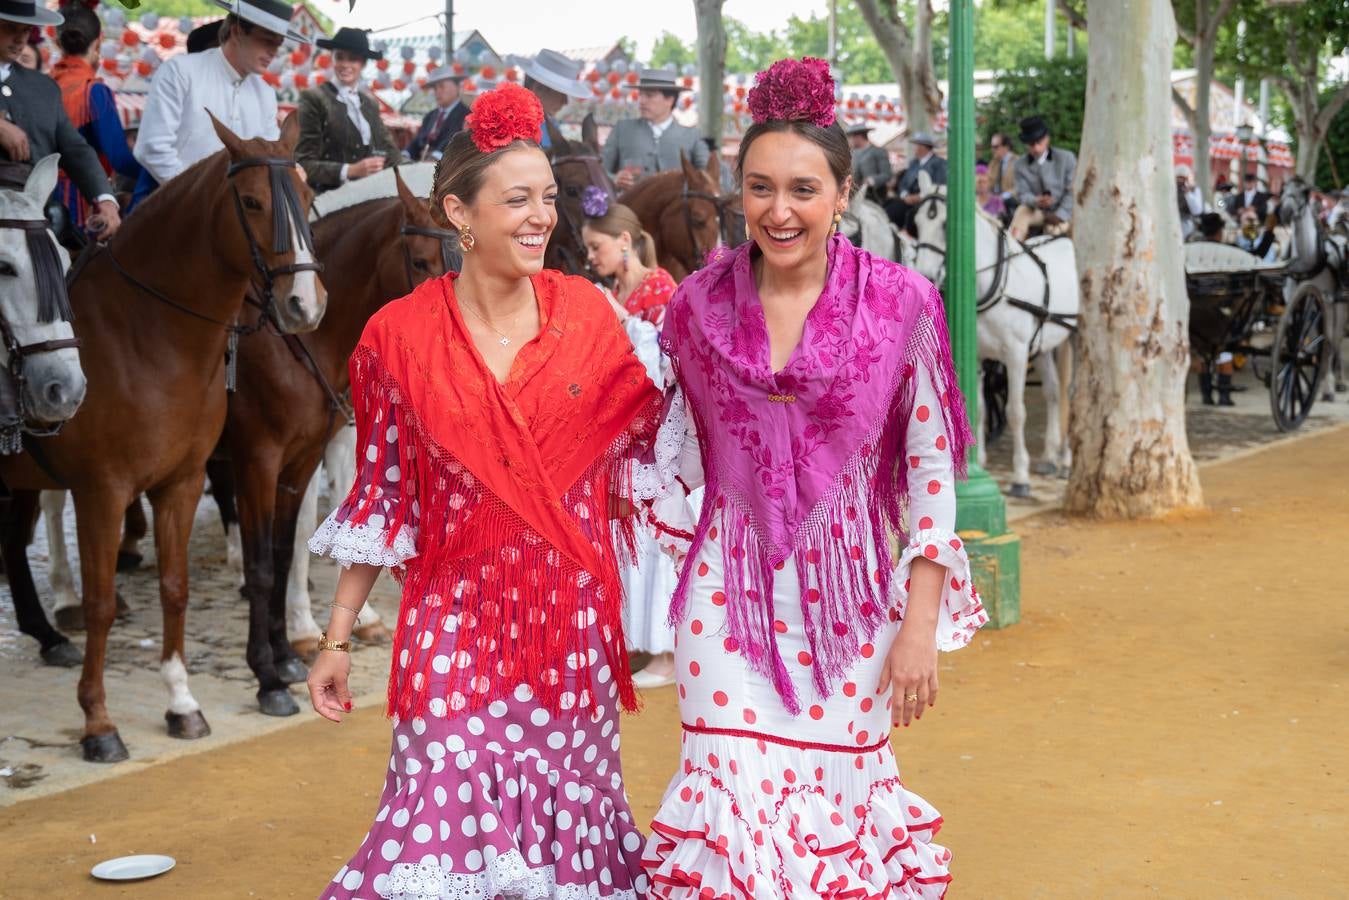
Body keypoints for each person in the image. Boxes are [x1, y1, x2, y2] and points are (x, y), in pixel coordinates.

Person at [636, 56, 987, 896]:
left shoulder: (902, 303)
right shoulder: (694, 306)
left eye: (802, 189)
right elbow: (667, 451)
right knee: (729, 813)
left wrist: (920, 622)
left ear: (842, 195)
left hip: (852, 608)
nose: (778, 210)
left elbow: (930, 465)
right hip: (725, 597)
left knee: (836, 822)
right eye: (758, 188)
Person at [305, 83, 657, 900]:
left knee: (566, 840)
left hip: (570, 626)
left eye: (548, 199)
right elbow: (385, 497)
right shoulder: (396, 337)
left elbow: (652, 448)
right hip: (449, 624)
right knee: (439, 809)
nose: (541, 219)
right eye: (517, 200)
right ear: (458, 213)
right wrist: (336, 638)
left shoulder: (590, 316)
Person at [132, 1, 308, 207]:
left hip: (237, 216)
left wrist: (290, 168)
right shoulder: (180, 71)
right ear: (237, 32)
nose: (273, 52)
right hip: (173, 209)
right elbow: (152, 148)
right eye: (267, 41)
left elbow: (267, 155)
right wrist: (200, 196)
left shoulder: (265, 93)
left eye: (278, 44)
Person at [0, 2, 122, 238]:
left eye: (26, 30)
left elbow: (75, 149)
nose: (20, 39)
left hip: (36, 216)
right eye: (10, 28)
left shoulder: (44, 87)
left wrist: (105, 198)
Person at [49, 4, 143, 239]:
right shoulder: (95, 91)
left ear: (57, 42)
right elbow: (120, 159)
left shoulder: (42, 84)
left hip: (38, 196)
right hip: (80, 201)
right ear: (99, 42)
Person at [295, 27, 400, 192]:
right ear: (332, 58)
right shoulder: (313, 98)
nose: (345, 64)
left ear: (363, 63)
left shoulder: (370, 104)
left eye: (353, 59)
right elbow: (303, 164)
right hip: (329, 195)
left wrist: (420, 171)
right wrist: (350, 170)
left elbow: (390, 151)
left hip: (371, 193)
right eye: (340, 57)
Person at [602, 68, 708, 190]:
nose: (641, 101)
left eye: (649, 95)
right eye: (640, 95)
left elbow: (707, 177)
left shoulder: (692, 136)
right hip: (629, 201)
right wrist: (614, 180)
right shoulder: (623, 130)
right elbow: (600, 170)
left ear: (670, 100)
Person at [1010, 114, 1076, 240]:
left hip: (1064, 213)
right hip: (1037, 211)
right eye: (1031, 144)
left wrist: (1060, 215)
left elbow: (1072, 191)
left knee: (1055, 232)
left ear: (1047, 139)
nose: (1036, 147)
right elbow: (1022, 194)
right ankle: (1012, 247)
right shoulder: (1019, 165)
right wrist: (1036, 200)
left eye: (1039, 142)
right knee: (1022, 212)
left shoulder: (1066, 158)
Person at [512, 48, 590, 151]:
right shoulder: (512, 125)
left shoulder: (550, 123)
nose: (565, 102)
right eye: (561, 93)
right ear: (539, 88)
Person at [885, 131, 946, 234]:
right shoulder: (914, 163)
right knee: (888, 207)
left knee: (899, 213)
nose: (914, 148)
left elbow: (939, 186)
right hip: (907, 200)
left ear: (923, 147)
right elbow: (903, 184)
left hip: (927, 202)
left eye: (917, 145)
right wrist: (905, 195)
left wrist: (918, 197)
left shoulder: (939, 164)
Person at [403, 65, 467, 162]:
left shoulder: (466, 116)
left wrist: (435, 156)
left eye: (442, 86)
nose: (437, 92)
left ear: (457, 87)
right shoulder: (430, 116)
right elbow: (417, 140)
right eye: (435, 88)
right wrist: (406, 153)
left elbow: (456, 143)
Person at [847, 122, 891, 203]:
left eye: (852, 137)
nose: (850, 140)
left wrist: (872, 180)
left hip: (874, 195)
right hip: (855, 195)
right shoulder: (853, 154)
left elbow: (886, 174)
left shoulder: (879, 151)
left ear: (859, 137)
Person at [987, 131, 1017, 217]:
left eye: (996, 147)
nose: (993, 150)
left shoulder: (1017, 162)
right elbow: (988, 182)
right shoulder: (993, 163)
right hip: (994, 199)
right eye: (992, 147)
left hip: (1011, 201)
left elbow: (1019, 187)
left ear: (1006, 147)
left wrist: (1002, 196)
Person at [1176, 163, 1204, 240]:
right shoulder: (1171, 190)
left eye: (1183, 178)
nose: (1181, 182)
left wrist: (1188, 193)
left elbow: (1197, 210)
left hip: (1187, 227)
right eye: (1179, 179)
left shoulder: (1194, 190)